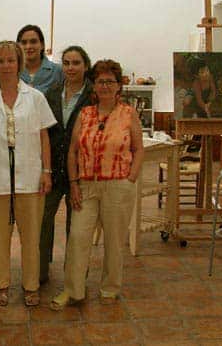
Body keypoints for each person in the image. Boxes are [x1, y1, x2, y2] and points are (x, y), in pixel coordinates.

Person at [50, 59, 144, 310]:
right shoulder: (85, 114)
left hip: (118, 186)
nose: (105, 86)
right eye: (100, 81)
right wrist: (74, 184)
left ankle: (110, 288)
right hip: (87, 186)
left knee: (114, 241)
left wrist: (130, 179)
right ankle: (73, 290)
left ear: (118, 85)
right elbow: (72, 151)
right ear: (94, 85)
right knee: (78, 237)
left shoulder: (128, 114)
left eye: (110, 81)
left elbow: (138, 149)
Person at [0, 41, 56, 307]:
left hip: (30, 176)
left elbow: (44, 137)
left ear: (19, 63)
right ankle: (0, 285)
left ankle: (31, 286)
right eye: (1, 61)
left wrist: (46, 171)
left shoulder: (35, 97)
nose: (6, 65)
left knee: (31, 237)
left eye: (11, 60)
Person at [39, 46, 93, 285]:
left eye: (76, 63)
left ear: (86, 66)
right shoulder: (52, 93)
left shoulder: (93, 95)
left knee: (77, 229)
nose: (71, 68)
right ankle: (39, 272)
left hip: (80, 172)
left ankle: (75, 278)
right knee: (42, 222)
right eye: (67, 63)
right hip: (52, 169)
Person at [18, 25, 63, 93]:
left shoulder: (58, 71)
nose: (28, 46)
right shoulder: (13, 71)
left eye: (33, 42)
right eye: (24, 43)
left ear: (42, 45)